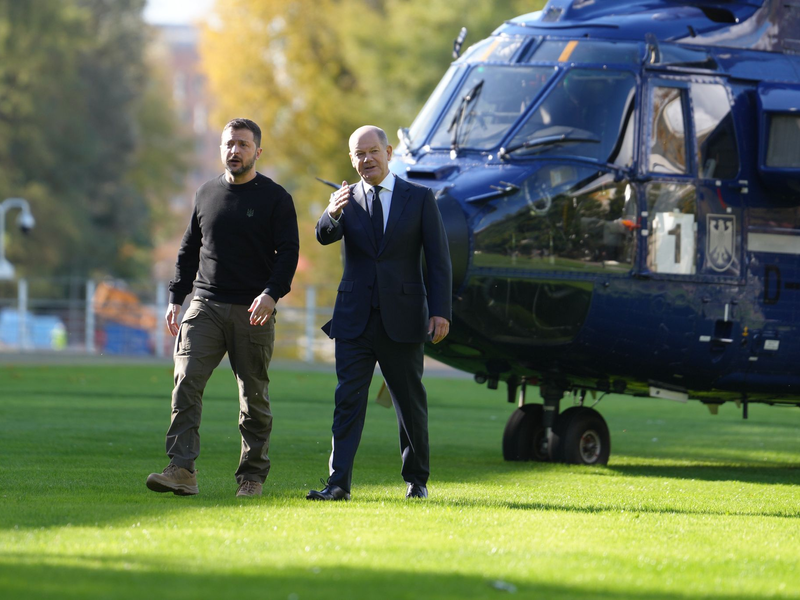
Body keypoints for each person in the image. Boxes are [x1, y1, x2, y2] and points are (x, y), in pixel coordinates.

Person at [146, 118, 299, 498]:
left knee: (254, 397)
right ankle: (181, 470)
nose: (235, 151)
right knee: (186, 382)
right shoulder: (205, 194)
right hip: (206, 305)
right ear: (221, 148)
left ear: (257, 152)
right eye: (229, 144)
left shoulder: (276, 198)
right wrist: (175, 299)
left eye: (243, 145)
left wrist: (271, 293)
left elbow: (289, 253)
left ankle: (252, 477)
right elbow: (187, 251)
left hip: (254, 309)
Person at [307, 125, 452, 501]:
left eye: (373, 151)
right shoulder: (344, 198)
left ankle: (417, 482)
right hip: (354, 319)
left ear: (389, 151)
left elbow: (438, 261)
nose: (366, 159)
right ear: (351, 159)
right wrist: (330, 212)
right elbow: (324, 235)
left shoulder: (419, 198)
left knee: (409, 403)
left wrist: (440, 312)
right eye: (358, 154)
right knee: (347, 402)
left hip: (403, 319)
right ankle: (338, 484)